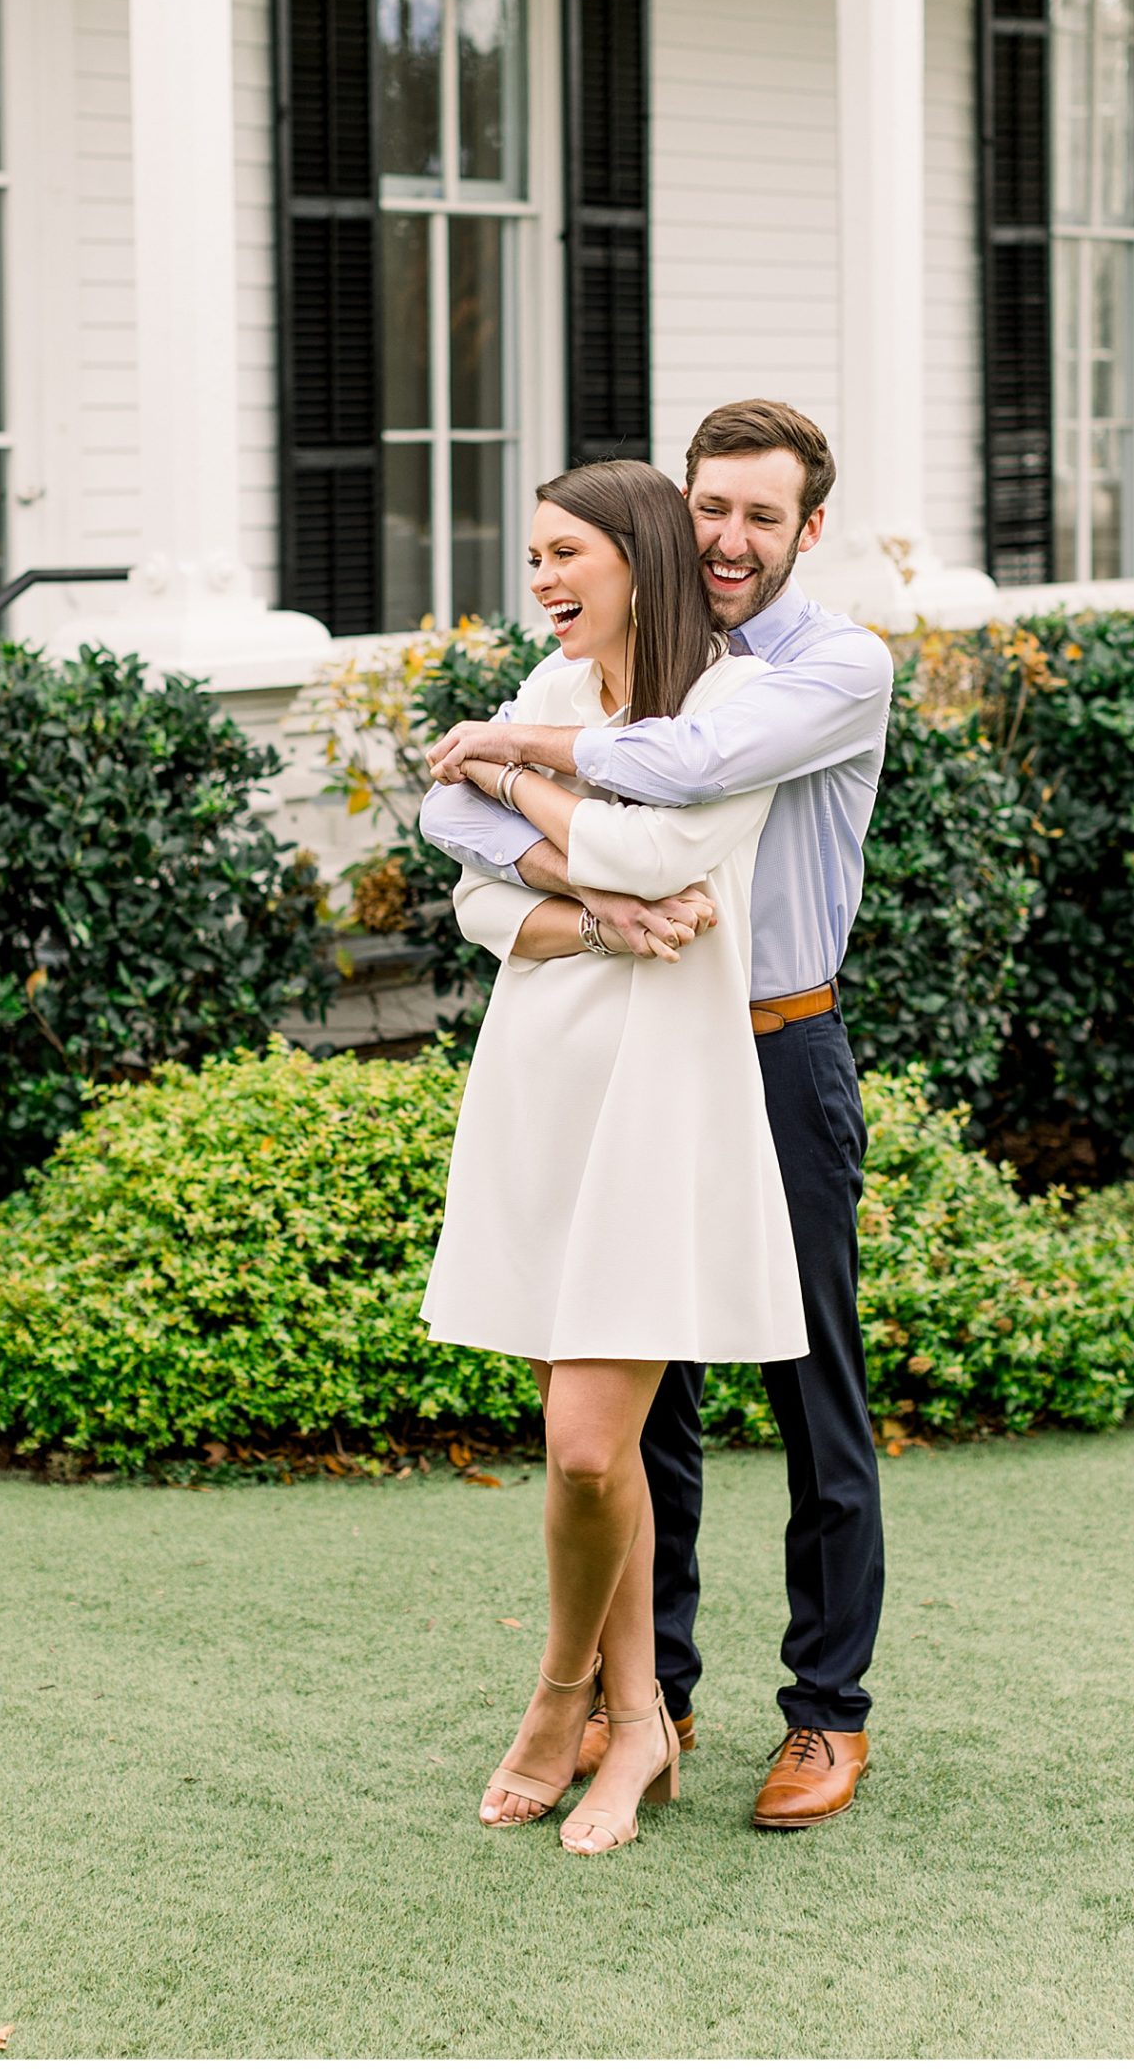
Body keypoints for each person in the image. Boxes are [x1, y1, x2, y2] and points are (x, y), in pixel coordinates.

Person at [423, 399, 893, 1830]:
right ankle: (657, 1695)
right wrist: (577, 877)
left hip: (771, 1039)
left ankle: (823, 1713)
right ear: (668, 516)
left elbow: (680, 776)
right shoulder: (605, 648)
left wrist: (497, 746)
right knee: (646, 1412)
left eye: (763, 515)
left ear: (808, 530)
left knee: (811, 1388)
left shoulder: (820, 669)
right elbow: (452, 831)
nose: (729, 538)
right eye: (710, 509)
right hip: (633, 1044)